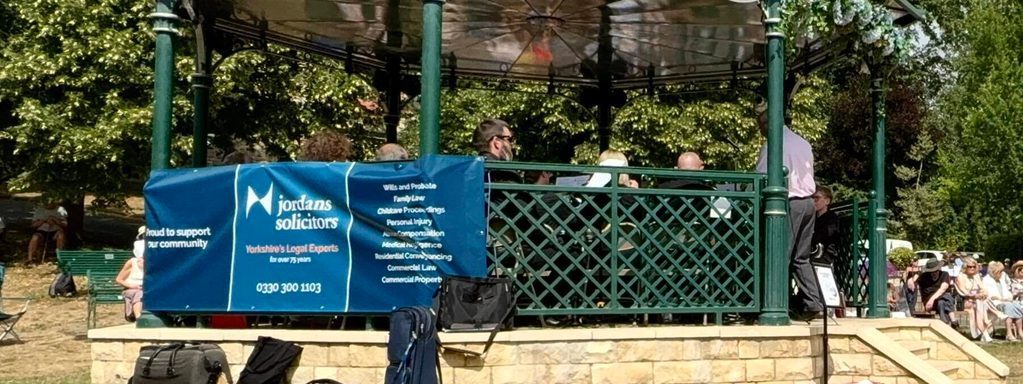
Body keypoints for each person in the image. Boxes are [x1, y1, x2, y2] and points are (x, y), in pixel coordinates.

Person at [755, 109, 822, 319]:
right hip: (808, 203)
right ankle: (814, 304)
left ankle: (775, 305)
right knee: (801, 258)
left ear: (767, 125)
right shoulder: (803, 142)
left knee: (779, 255)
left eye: (761, 128)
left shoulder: (774, 144)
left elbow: (762, 176)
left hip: (790, 203)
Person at [955, 256, 1006, 342]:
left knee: (982, 302)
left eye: (974, 267)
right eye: (969, 266)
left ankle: (985, 333)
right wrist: (976, 296)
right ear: (965, 267)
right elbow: (963, 292)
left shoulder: (976, 276)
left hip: (979, 301)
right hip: (967, 301)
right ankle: (996, 314)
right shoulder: (960, 277)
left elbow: (984, 289)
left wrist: (982, 294)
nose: (972, 268)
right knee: (980, 303)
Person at [983, 261, 1023, 340]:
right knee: (1008, 307)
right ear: (994, 272)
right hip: (994, 303)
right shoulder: (986, 280)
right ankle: (1009, 333)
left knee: (1017, 305)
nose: (1002, 273)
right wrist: (1002, 299)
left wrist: (1008, 298)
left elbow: (1008, 293)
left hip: (1006, 301)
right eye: (1000, 272)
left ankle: (1020, 331)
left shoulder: (1002, 279)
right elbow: (991, 296)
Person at [910, 258, 955, 326]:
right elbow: (913, 281)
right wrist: (910, 280)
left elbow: (943, 288)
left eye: (936, 271)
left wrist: (932, 299)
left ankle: (945, 323)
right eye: (931, 272)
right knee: (947, 296)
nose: (934, 273)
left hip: (938, 301)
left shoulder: (944, 274)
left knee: (942, 301)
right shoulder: (924, 276)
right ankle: (954, 321)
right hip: (929, 303)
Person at [116, 227, 146, 322]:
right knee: (139, 293)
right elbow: (119, 279)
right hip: (133, 289)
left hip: (147, 289)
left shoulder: (154, 263)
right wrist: (132, 285)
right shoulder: (132, 262)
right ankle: (139, 319)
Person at [811, 186, 839, 266]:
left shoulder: (832, 218)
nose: (813, 201)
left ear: (827, 201)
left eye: (817, 198)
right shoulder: (813, 218)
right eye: (812, 198)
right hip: (815, 253)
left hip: (826, 255)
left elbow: (827, 233)